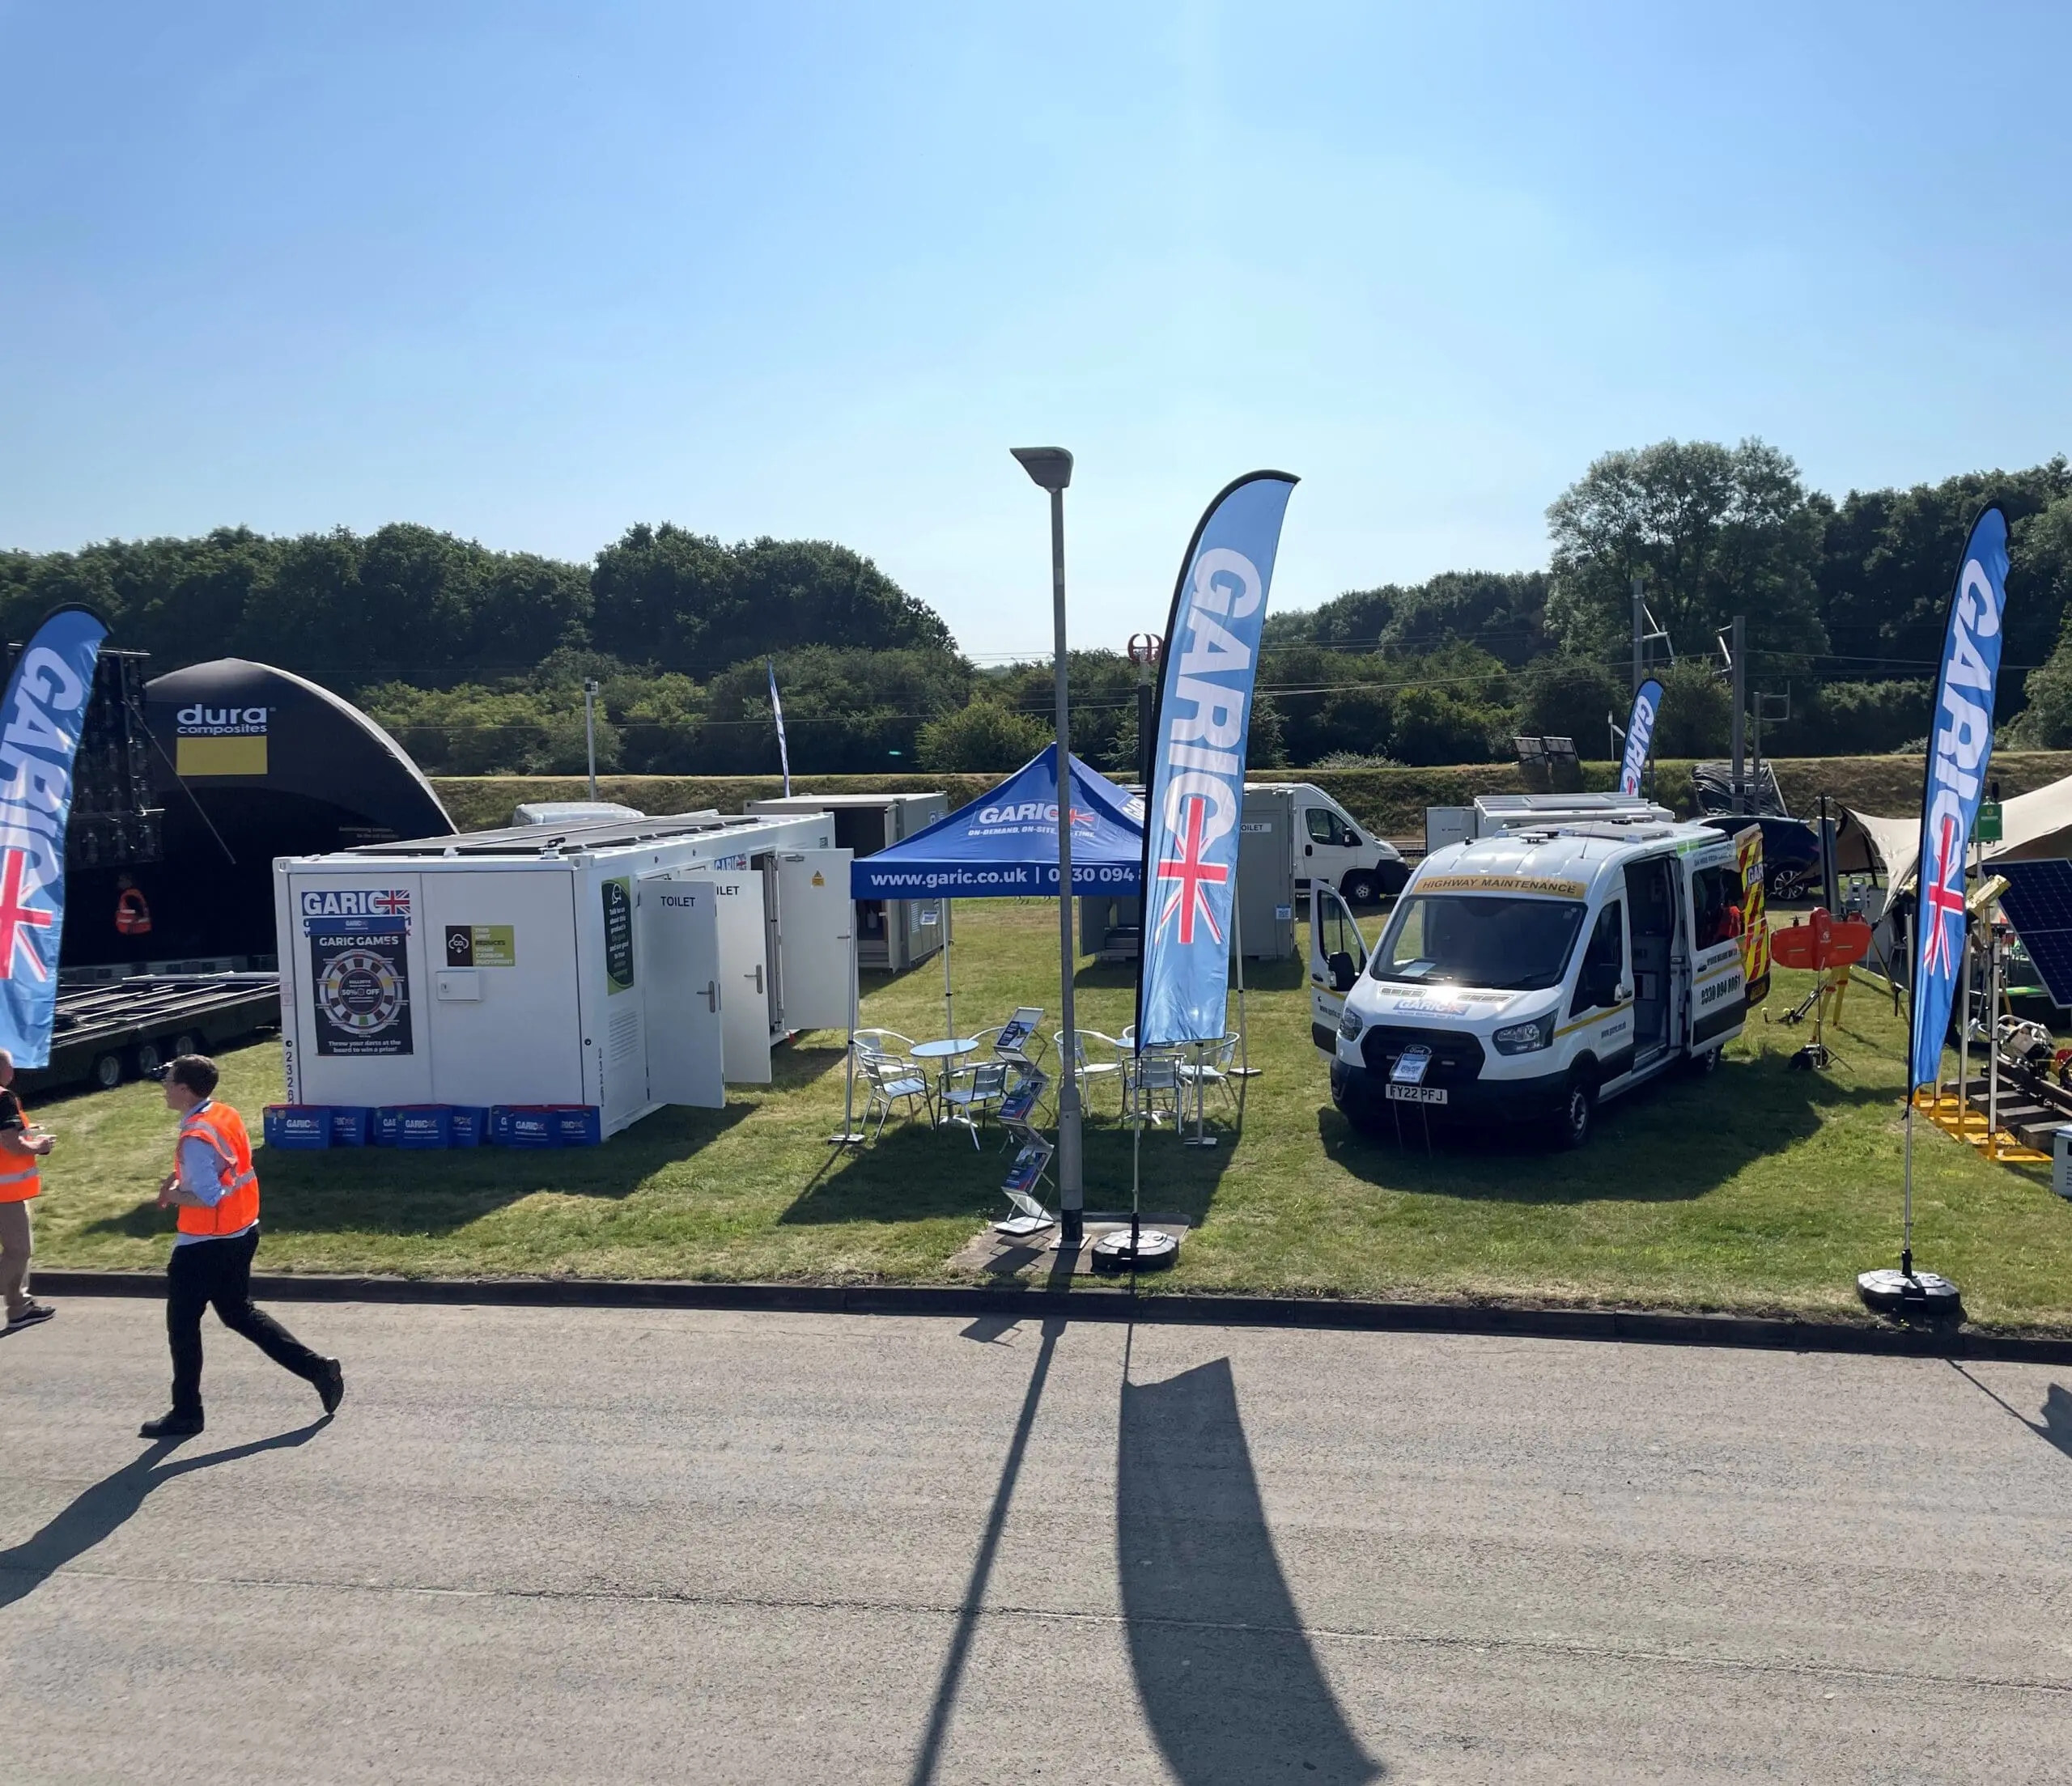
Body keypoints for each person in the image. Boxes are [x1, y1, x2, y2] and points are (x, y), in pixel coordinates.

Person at [139, 1054, 343, 1438]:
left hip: (203, 1245)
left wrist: (171, 1195)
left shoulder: (196, 1136)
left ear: (185, 1090)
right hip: (241, 1231)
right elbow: (223, 1167)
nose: (164, 1088)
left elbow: (208, 1195)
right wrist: (179, 1177)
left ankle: (187, 1414)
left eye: (168, 1082)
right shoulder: (221, 1114)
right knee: (238, 1313)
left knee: (182, 1327)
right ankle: (317, 1368)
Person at [0, 1047, 57, 1333]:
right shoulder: (3, 1098)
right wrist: (39, 1146)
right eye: (12, 1067)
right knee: (19, 1251)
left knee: (17, 1250)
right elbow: (10, 1141)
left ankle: (19, 1308)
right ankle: (19, 1307)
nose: (14, 1073)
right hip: (5, 1193)